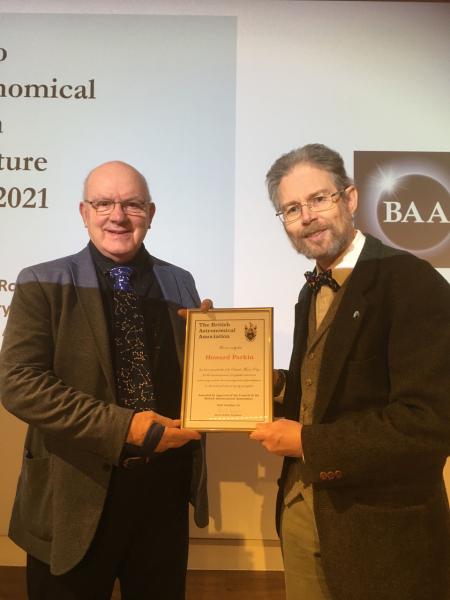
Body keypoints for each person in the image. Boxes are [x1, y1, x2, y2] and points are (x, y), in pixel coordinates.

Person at [0, 160, 210, 600]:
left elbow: (193, 379)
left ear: (150, 213)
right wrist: (125, 427)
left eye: (132, 204)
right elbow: (18, 382)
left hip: (163, 494)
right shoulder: (42, 281)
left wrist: (211, 346)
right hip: (73, 493)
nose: (118, 215)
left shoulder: (180, 281)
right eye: (103, 203)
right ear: (83, 212)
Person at [250, 144, 450, 600]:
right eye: (292, 208)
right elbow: (320, 387)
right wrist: (264, 380)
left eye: (319, 199)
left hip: (383, 537)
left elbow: (430, 423)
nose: (307, 217)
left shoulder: (412, 283)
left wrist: (307, 442)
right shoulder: (311, 293)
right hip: (303, 517)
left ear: (351, 198)